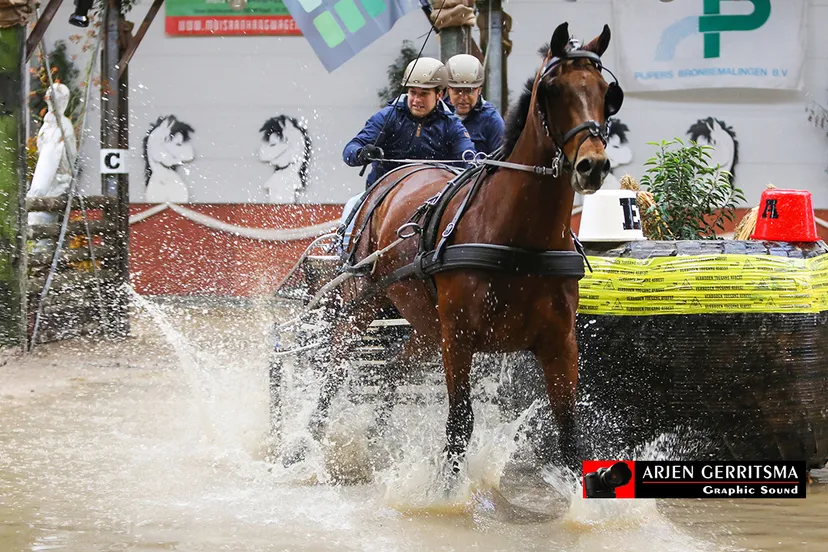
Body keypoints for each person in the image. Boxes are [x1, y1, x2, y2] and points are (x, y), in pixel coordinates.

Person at [339, 56, 476, 250]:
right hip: (382, 196)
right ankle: (343, 258)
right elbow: (350, 150)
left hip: (432, 202)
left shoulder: (451, 125)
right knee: (351, 207)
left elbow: (468, 157)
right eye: (413, 92)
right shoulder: (387, 116)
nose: (416, 100)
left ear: (439, 94)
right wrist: (361, 153)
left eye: (424, 94)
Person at [444, 54, 505, 156]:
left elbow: (502, 164)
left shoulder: (491, 120)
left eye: (469, 91)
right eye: (457, 91)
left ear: (479, 89)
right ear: (448, 89)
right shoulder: (437, 114)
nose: (463, 97)